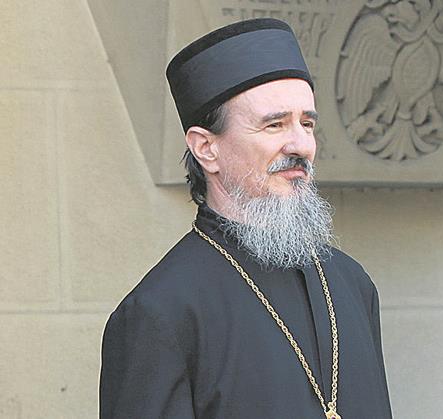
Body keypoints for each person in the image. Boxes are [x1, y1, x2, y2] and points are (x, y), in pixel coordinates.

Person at [99, 18, 392, 419]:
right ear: (207, 149)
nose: (301, 145)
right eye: (274, 125)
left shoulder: (352, 284)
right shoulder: (160, 313)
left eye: (307, 124)